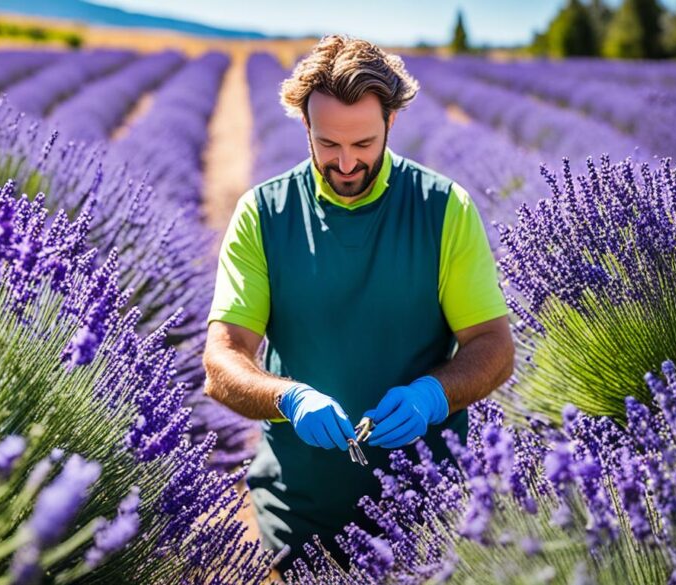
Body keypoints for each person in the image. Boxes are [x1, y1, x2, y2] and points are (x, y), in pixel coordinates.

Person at [202, 34, 515, 577]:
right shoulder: (263, 214)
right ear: (305, 128)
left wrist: (432, 396)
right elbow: (222, 358)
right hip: (298, 507)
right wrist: (289, 398)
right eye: (328, 145)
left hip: (426, 507)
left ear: (391, 123)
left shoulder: (444, 209)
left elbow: (494, 346)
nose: (346, 163)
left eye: (364, 144)